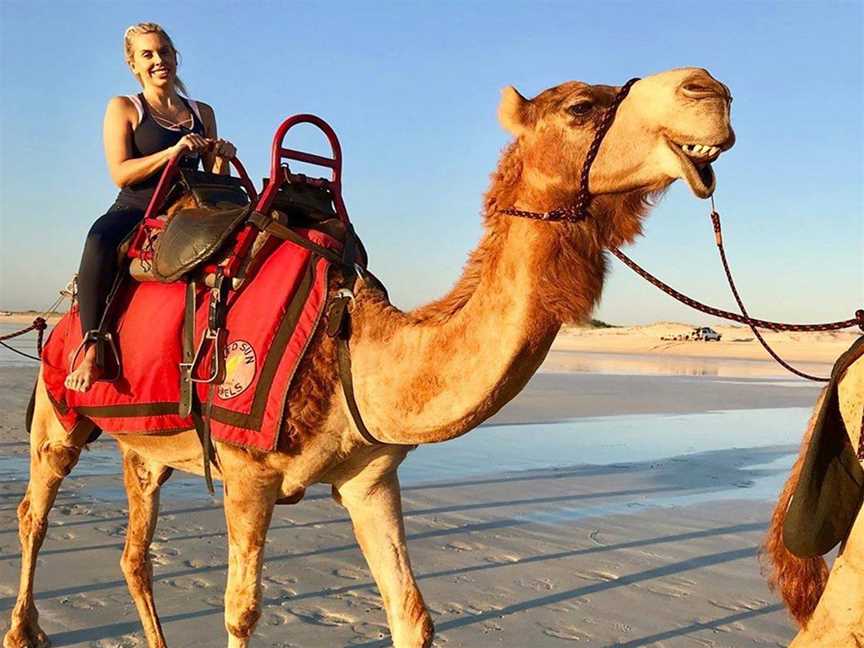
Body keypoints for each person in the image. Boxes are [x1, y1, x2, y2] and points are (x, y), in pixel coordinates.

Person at [64, 23, 236, 392]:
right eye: (148, 54)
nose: (159, 60)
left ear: (176, 57)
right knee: (98, 241)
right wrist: (171, 153)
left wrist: (220, 155)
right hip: (137, 207)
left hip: (188, 210)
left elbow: (214, 177)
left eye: (165, 52)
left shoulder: (201, 112)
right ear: (134, 65)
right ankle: (92, 346)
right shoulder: (125, 107)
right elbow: (121, 173)